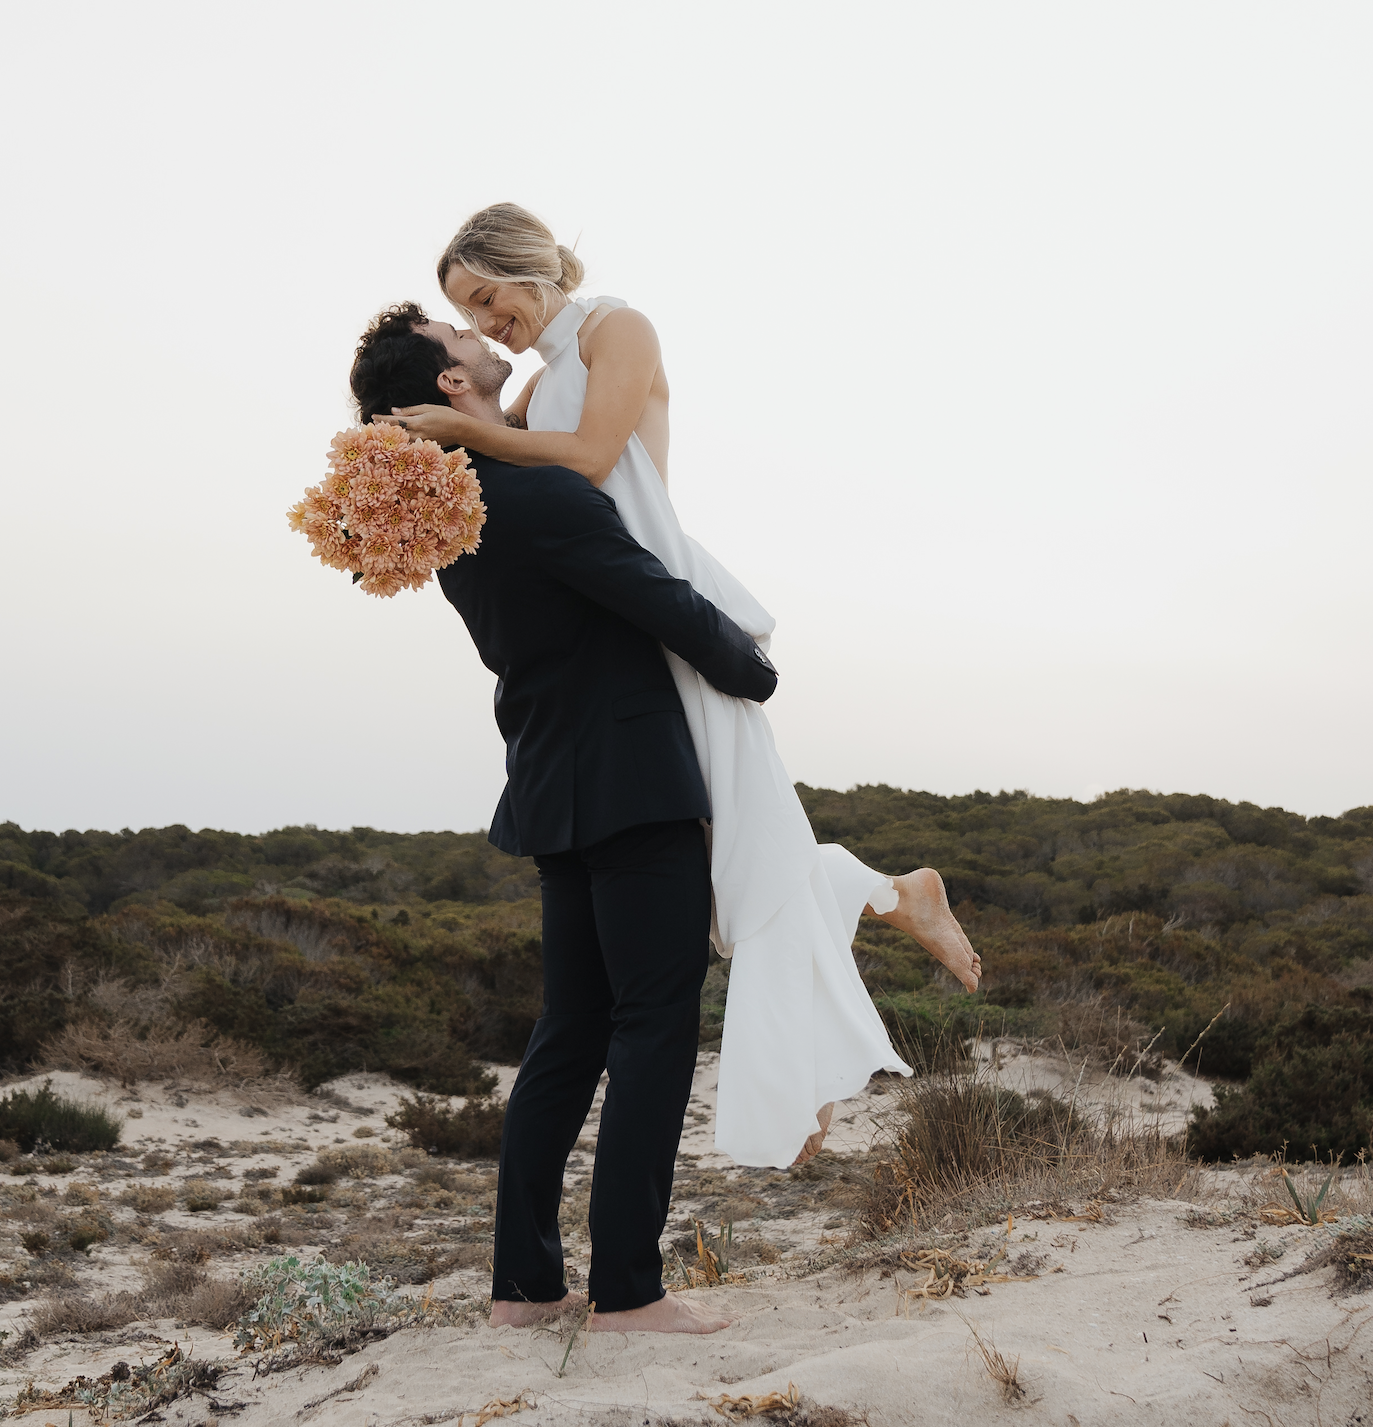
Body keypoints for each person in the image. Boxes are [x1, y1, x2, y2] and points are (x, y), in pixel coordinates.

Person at [380, 204, 983, 1170]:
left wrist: (463, 429)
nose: (489, 322)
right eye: (469, 315)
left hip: (666, 596)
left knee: (742, 851)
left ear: (527, 269)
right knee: (726, 869)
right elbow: (540, 499)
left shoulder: (618, 327)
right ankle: (884, 904)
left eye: (487, 298)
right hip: (626, 623)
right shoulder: (527, 395)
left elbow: (587, 464)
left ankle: (814, 1072)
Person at [348, 302, 761, 1334]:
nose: (480, 338)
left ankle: (522, 1291)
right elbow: (650, 594)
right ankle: (628, 1293)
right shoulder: (532, 495)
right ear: (449, 385)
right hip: (629, 783)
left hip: (547, 783)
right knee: (652, 1028)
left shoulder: (456, 522)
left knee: (568, 1035)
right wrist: (748, 667)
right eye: (460, 338)